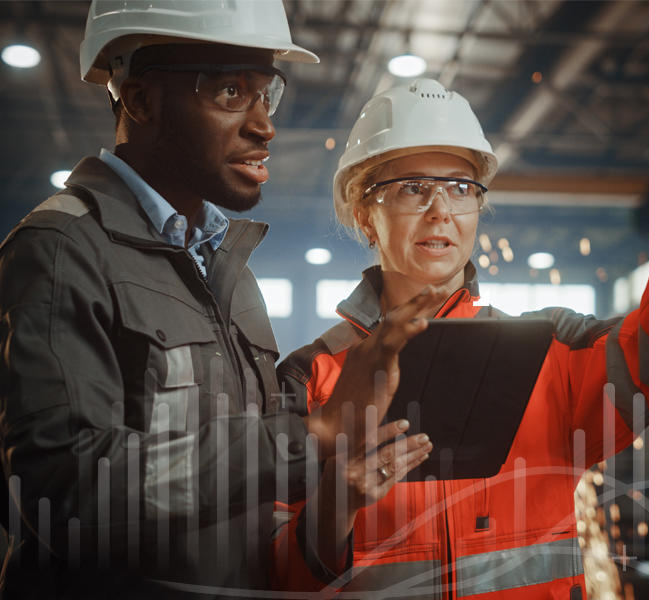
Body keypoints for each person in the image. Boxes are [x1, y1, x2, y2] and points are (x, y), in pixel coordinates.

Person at [271, 76, 649, 597]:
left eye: (461, 188)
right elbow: (274, 577)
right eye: (413, 188)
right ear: (365, 216)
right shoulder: (311, 380)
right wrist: (333, 507)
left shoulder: (549, 351)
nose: (441, 209)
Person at [0, 1, 432, 596]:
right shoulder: (63, 248)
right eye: (231, 91)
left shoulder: (230, 270)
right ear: (140, 99)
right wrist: (313, 436)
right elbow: (64, 494)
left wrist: (338, 470)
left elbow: (244, 469)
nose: (265, 126)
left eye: (266, 94)